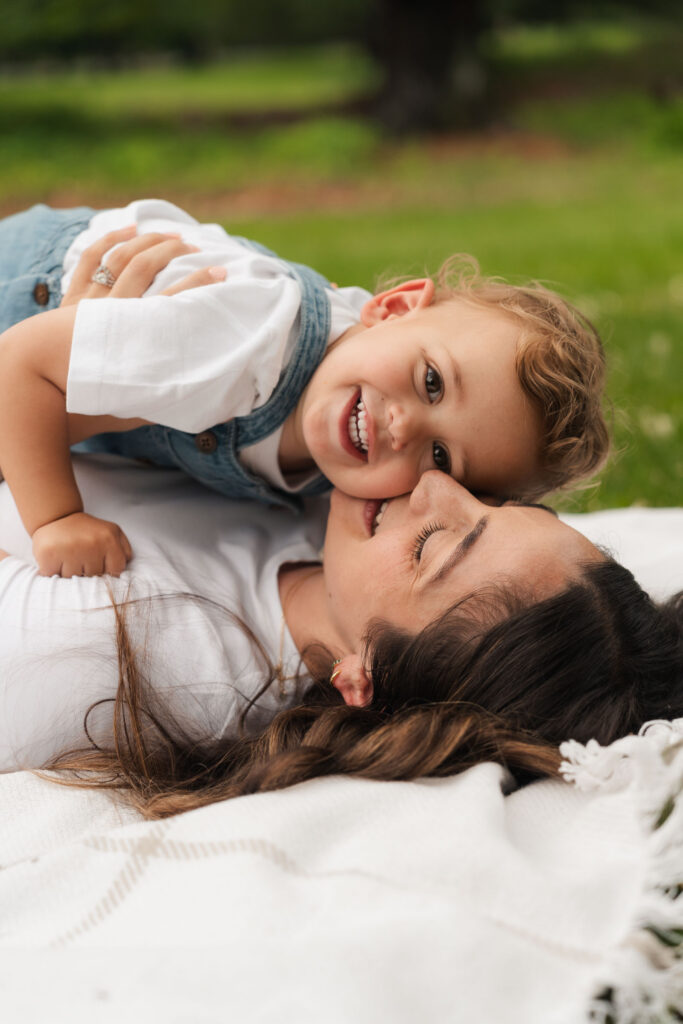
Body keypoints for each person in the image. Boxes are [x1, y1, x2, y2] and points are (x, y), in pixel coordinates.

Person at [0, 457, 680, 824]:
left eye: (429, 543)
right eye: (501, 505)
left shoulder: (112, 650)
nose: (434, 482)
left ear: (364, 676)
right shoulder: (315, 502)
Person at [0, 200, 608, 577]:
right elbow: (20, 364)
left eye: (442, 457)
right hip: (25, 303)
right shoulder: (254, 339)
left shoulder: (344, 439)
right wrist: (56, 519)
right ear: (392, 308)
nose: (404, 428)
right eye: (431, 382)